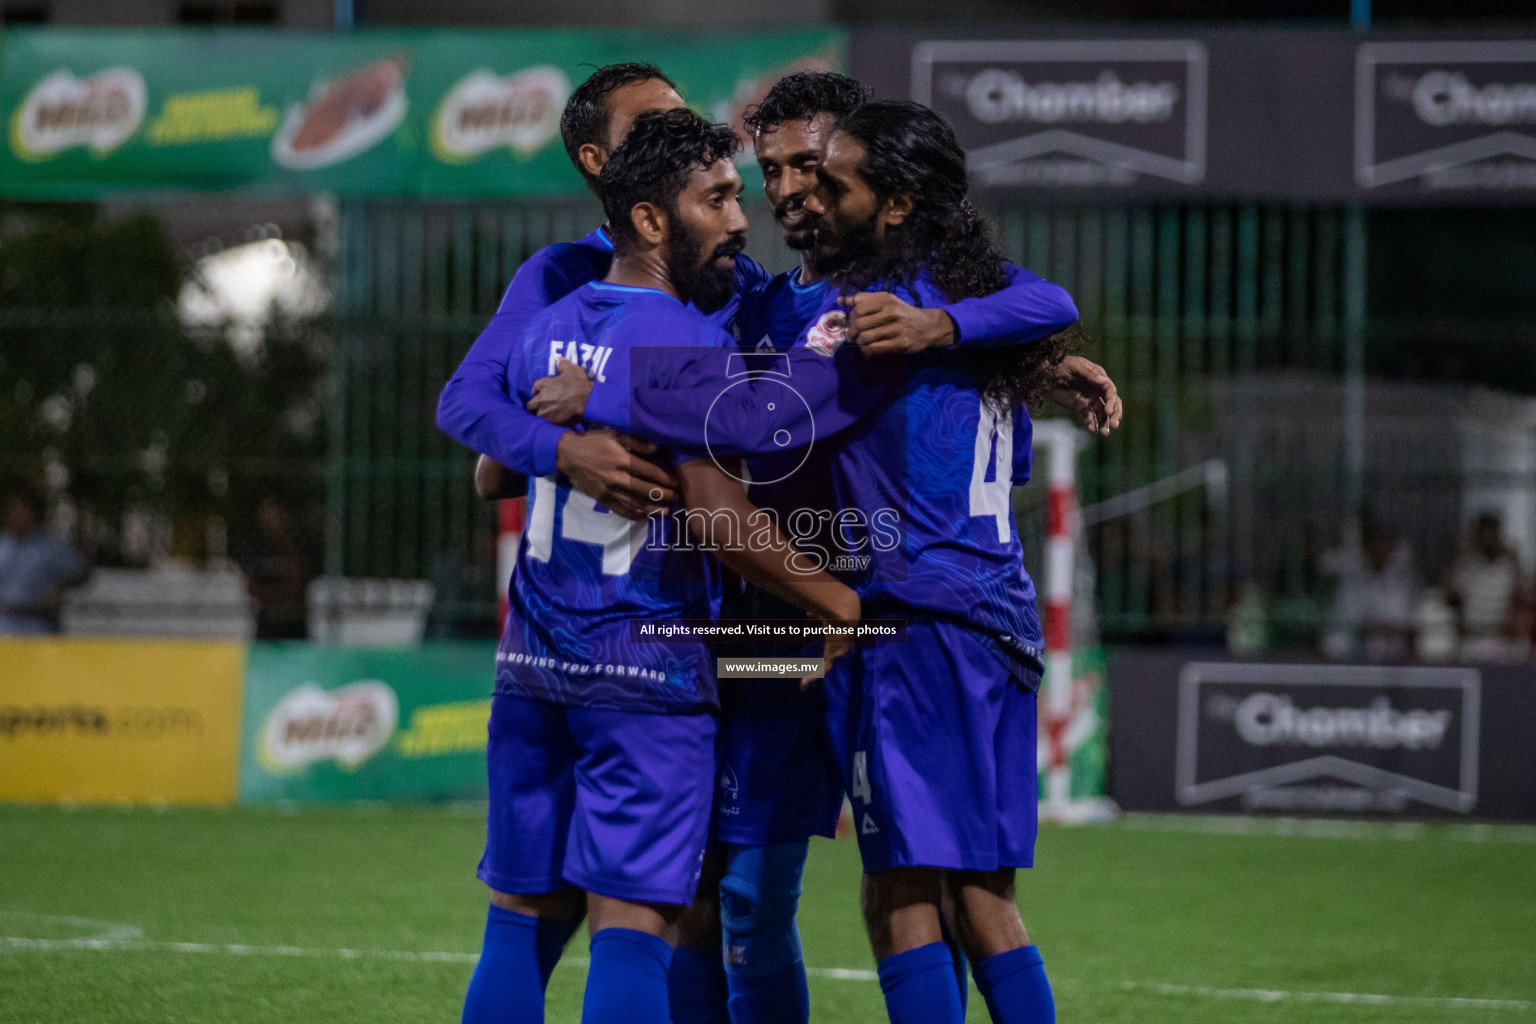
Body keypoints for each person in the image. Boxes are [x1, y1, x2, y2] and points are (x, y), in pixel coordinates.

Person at [446, 63, 1111, 1024]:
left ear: (869, 178)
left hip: (867, 617)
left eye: (817, 170)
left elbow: (1028, 305)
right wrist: (560, 445)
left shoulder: (872, 306)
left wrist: (985, 343)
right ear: (611, 172)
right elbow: (480, 437)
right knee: (734, 899)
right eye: (768, 171)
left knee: (914, 890)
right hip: (759, 619)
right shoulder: (666, 288)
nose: (787, 190)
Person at [458, 109, 863, 1024]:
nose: (738, 219)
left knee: (517, 921)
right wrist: (838, 599)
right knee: (636, 926)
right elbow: (721, 520)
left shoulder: (548, 325)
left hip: (532, 669)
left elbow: (493, 471)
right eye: (717, 198)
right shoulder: (690, 342)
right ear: (650, 219)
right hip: (646, 673)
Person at [1321, 520, 1417, 662]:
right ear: (1366, 547)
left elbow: (1401, 620)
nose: (1378, 550)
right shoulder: (1352, 575)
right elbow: (1348, 616)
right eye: (1374, 545)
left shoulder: (1402, 578)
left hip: (1391, 650)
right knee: (1335, 643)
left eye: (1383, 544)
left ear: (1391, 548)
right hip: (1354, 648)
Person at [0, 482, 88, 636]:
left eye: (19, 509)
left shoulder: (51, 546)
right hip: (5, 620)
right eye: (12, 509)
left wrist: (61, 588)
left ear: (32, 513)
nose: (13, 514)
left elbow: (81, 573)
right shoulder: (4, 544)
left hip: (38, 622)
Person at [1446, 512, 1530, 662]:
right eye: (1484, 534)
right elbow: (1449, 595)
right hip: (1471, 639)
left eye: (1492, 533)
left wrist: (1515, 561)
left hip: (1499, 640)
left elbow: (1524, 595)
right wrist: (1461, 556)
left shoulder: (1508, 565)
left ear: (1499, 534)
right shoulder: (1467, 565)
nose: (1488, 539)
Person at [236, 497, 310, 640]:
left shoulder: (297, 546)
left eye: (277, 515)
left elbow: (301, 585)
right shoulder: (256, 548)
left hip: (295, 622)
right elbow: (252, 588)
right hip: (268, 623)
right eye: (268, 515)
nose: (273, 521)